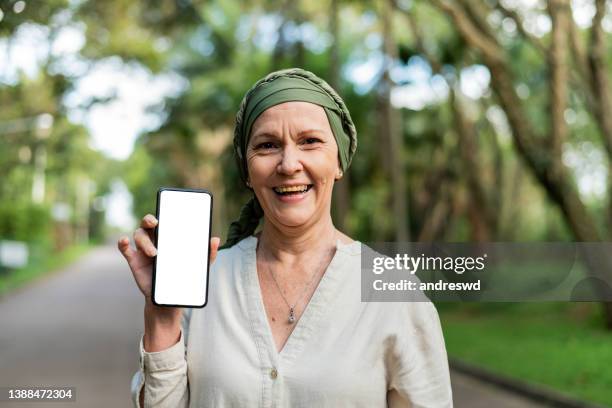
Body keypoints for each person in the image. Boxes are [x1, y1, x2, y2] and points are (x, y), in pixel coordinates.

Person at [119, 68, 453, 407]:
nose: (289, 164)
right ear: (248, 171)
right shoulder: (204, 282)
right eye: (267, 145)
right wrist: (161, 317)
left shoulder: (396, 296)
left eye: (310, 141)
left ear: (339, 161)